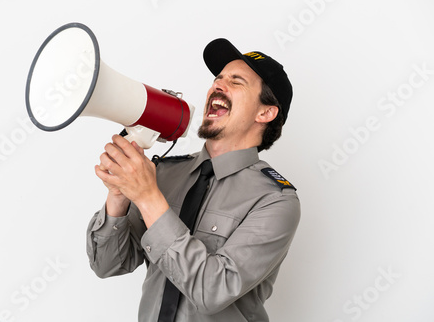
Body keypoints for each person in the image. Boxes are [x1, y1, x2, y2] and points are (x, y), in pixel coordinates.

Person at [86, 38, 301, 321]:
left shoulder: (275, 201)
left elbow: (211, 291)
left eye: (236, 81)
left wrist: (148, 197)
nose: (218, 85)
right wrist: (119, 195)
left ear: (266, 112)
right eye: (218, 78)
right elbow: (107, 265)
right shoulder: (164, 173)